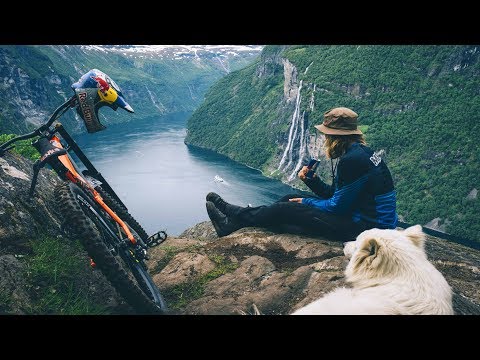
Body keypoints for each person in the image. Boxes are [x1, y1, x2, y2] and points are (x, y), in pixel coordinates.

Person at [205, 107, 398, 241]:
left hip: (366, 230)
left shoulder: (352, 160)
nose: (324, 139)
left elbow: (336, 207)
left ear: (335, 137)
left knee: (286, 209)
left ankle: (234, 213)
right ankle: (234, 225)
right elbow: (336, 195)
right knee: (290, 198)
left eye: (326, 135)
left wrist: (306, 202)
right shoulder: (360, 152)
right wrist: (312, 181)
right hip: (363, 219)